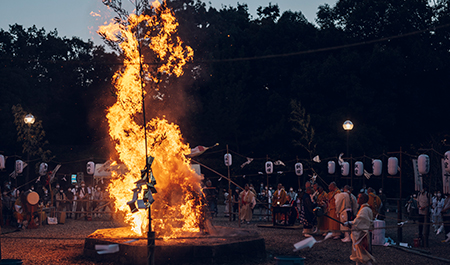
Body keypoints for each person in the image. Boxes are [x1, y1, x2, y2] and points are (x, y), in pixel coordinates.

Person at [344, 192, 375, 265]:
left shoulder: (365, 210)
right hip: (361, 233)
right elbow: (358, 220)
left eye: (359, 197)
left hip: (362, 234)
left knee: (363, 253)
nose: (357, 199)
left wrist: (349, 223)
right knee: (357, 252)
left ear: (363, 199)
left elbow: (359, 221)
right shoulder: (364, 208)